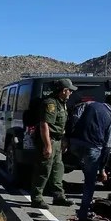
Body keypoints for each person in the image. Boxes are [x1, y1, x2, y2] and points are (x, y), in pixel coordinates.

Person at [66, 93, 111, 221]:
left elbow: (74, 117)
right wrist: (102, 169)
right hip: (92, 148)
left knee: (80, 165)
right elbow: (107, 146)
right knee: (89, 182)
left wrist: (68, 138)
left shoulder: (89, 104)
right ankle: (83, 215)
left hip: (75, 145)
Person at [29, 78, 76, 209]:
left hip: (58, 140)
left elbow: (61, 124)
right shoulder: (50, 104)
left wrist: (64, 139)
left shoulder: (62, 103)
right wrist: (47, 145)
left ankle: (58, 196)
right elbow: (44, 125)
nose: (71, 93)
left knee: (58, 168)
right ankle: (36, 198)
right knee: (44, 169)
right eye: (70, 91)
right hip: (48, 140)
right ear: (64, 90)